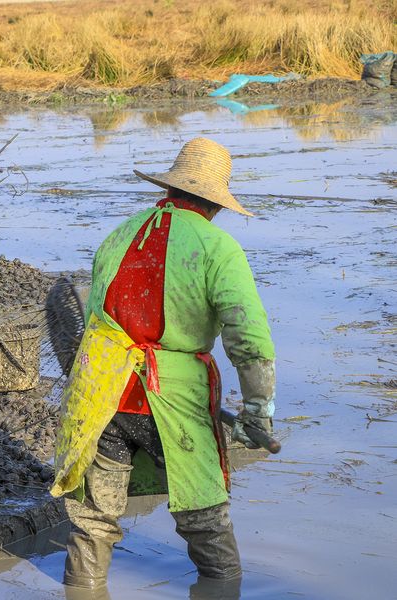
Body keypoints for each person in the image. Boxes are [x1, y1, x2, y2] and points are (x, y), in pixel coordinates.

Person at [51, 138, 276, 593]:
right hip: (172, 400)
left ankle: (82, 588)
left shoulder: (118, 235)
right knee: (204, 518)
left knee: (94, 522)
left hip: (102, 397)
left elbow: (98, 319)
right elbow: (249, 339)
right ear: (215, 202)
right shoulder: (218, 247)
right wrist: (257, 412)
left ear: (171, 189)